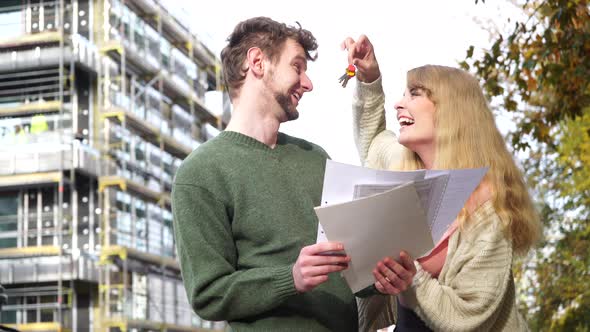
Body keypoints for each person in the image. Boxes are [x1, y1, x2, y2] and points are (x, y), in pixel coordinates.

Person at [343, 35, 542, 331]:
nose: (399, 104)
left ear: (450, 110)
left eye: (414, 94)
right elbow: (373, 141)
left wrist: (412, 279)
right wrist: (368, 77)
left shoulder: (490, 209)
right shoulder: (403, 165)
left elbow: (467, 316)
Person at [172, 17, 359, 331]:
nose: (308, 83)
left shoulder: (317, 158)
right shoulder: (200, 174)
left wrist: (383, 277)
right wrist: (292, 278)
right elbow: (208, 293)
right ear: (257, 62)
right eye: (297, 67)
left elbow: (349, 264)